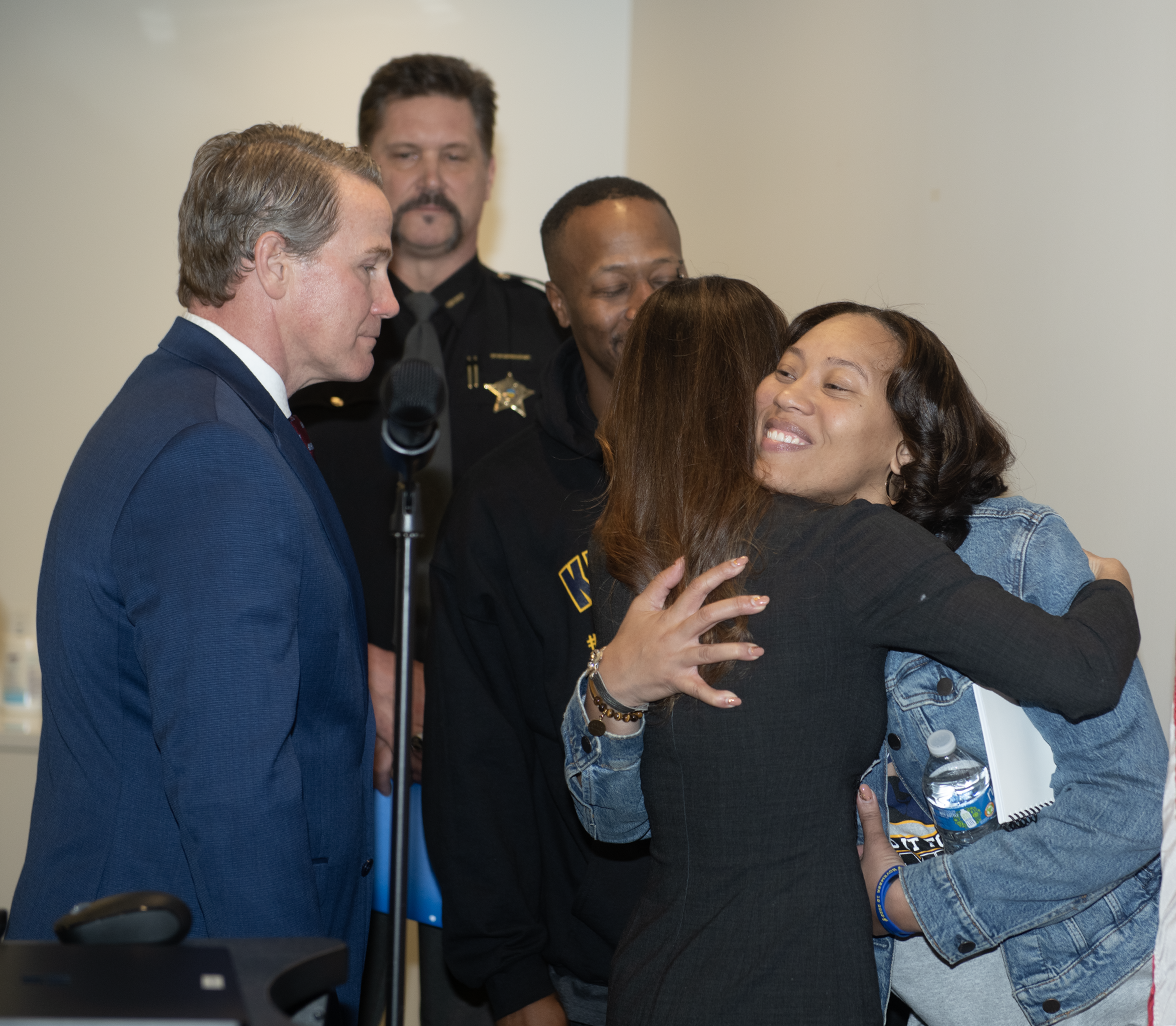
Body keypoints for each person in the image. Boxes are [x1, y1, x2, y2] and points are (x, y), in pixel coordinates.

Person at [559, 278, 1140, 1026]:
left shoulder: (1005, 550)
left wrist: (611, 691)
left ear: (904, 443)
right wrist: (1112, 590)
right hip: (793, 984)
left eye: (837, 384)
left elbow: (1119, 795)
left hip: (675, 982)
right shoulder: (737, 560)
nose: (790, 395)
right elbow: (617, 823)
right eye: (786, 369)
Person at [7, 124, 395, 1021]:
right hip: (169, 979)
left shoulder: (203, 414)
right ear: (273, 262)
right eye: (369, 266)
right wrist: (287, 996)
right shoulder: (213, 452)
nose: (388, 300)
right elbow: (234, 790)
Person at [423, 177, 685, 1026]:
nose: (648, 307)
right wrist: (512, 979)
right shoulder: (504, 502)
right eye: (613, 287)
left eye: (668, 280)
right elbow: (476, 755)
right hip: (590, 970)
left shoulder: (761, 459)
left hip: (758, 957)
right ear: (559, 305)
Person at [290, 52, 563, 792]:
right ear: (366, 168)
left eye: (455, 155)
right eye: (405, 156)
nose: (432, 179)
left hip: (511, 729)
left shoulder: (553, 334)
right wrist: (352, 664)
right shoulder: (306, 339)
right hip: (329, 707)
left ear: (490, 171)